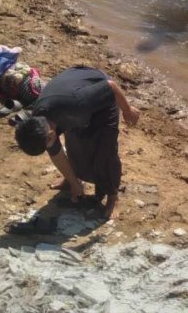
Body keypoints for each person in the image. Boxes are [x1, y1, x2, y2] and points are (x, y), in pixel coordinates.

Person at [14, 65, 138, 218]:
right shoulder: (39, 119)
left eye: (48, 143)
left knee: (105, 151)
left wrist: (127, 110)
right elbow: (56, 152)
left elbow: (111, 87)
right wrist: (73, 182)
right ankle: (71, 180)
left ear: (51, 135)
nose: (50, 147)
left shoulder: (77, 102)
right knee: (74, 144)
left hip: (102, 96)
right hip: (72, 97)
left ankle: (113, 197)